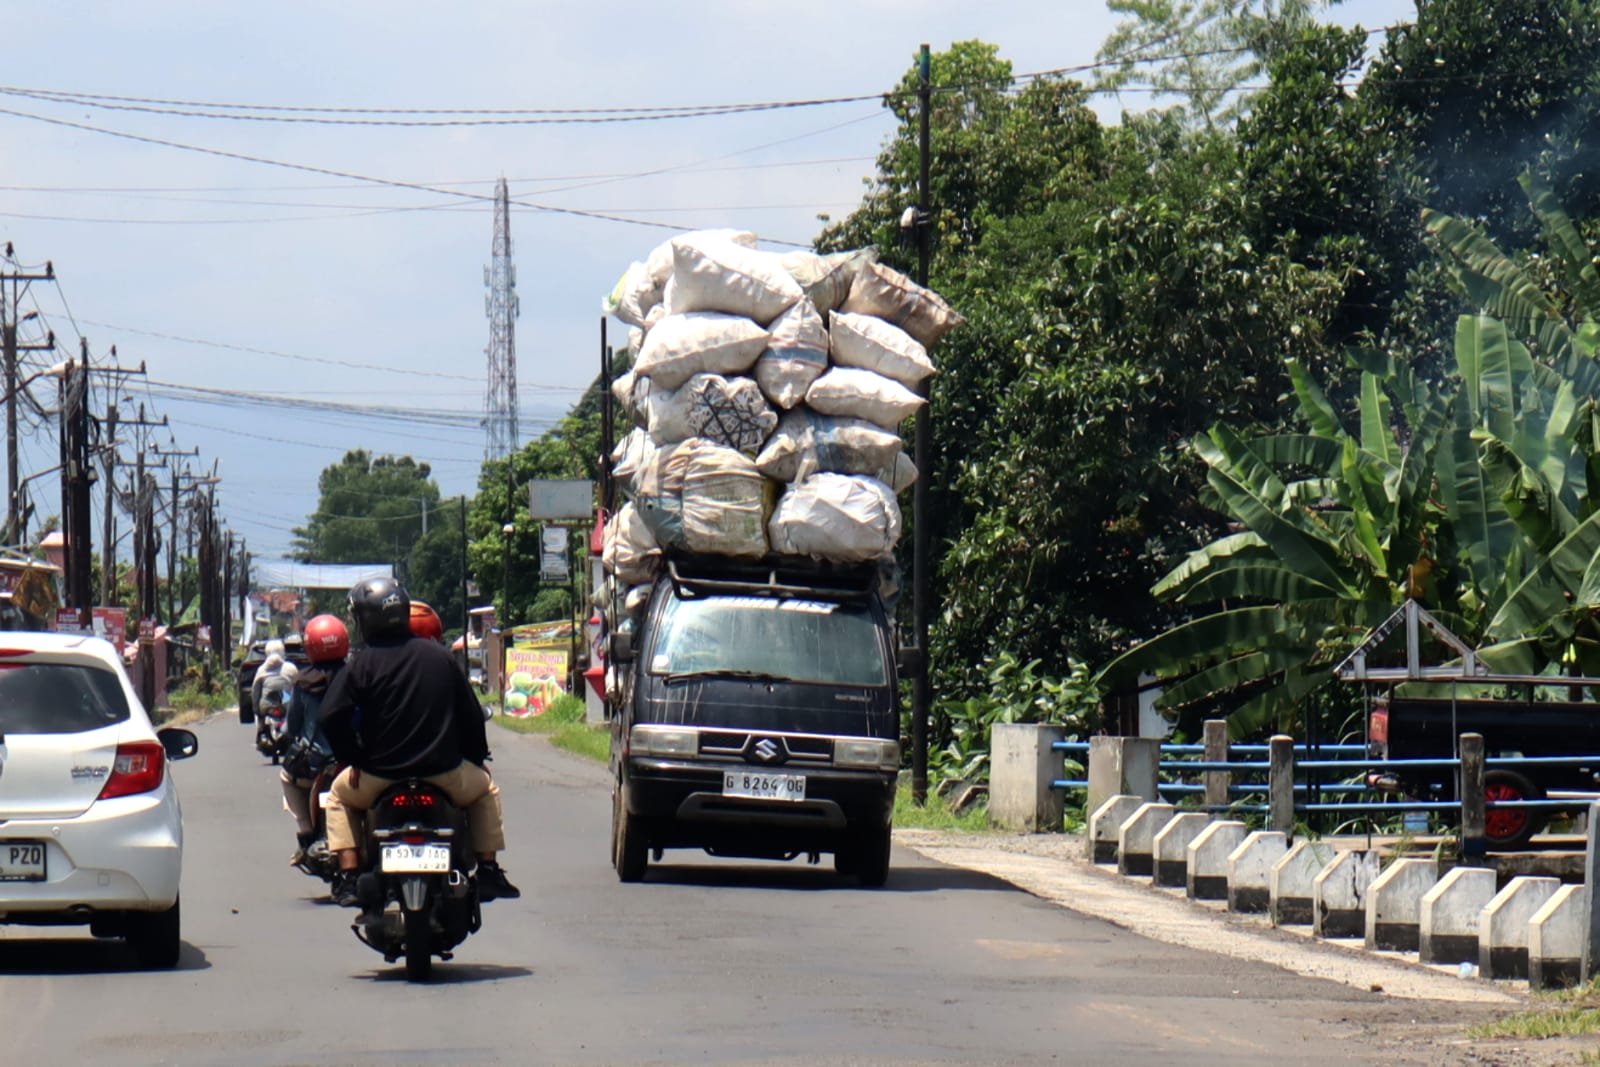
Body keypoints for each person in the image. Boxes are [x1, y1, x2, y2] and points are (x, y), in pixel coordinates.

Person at [320, 577, 519, 908]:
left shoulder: (362, 664)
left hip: (379, 776)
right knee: (485, 790)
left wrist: (353, 758)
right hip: (443, 773)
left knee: (338, 797)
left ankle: (349, 876)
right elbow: (471, 716)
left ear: (364, 620)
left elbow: (330, 715)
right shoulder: (440, 657)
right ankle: (487, 870)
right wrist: (476, 759)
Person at [281, 615, 348, 866]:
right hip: (352, 759)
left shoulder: (303, 682)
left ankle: (307, 833)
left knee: (286, 777)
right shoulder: (355, 675)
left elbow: (293, 725)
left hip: (315, 763)